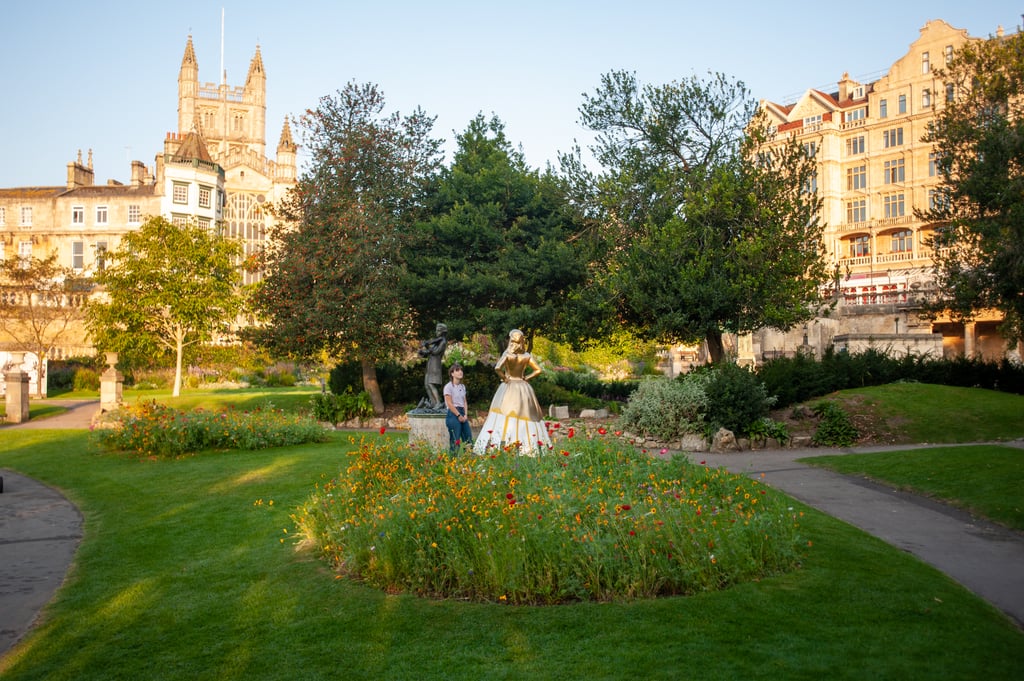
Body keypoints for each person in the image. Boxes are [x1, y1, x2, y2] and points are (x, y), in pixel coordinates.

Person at [473, 329, 552, 455]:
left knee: (504, 415)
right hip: (523, 387)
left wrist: (505, 378)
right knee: (527, 415)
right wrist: (527, 378)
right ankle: (530, 447)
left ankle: (501, 444)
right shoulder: (526, 356)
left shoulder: (508, 355)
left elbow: (497, 368)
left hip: (509, 386)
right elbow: (538, 370)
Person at [443, 362, 472, 454]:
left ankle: (469, 460)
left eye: (461, 370)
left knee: (468, 438)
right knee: (455, 440)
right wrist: (458, 415)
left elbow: (464, 402)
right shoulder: (448, 387)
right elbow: (449, 403)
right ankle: (453, 462)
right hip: (453, 414)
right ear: (452, 374)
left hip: (462, 412)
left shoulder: (462, 387)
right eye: (457, 370)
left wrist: (465, 415)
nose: (460, 372)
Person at [417, 323, 448, 409]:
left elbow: (435, 352)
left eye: (438, 330)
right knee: (426, 384)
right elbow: (430, 351)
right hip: (430, 363)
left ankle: (438, 402)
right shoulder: (437, 341)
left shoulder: (443, 342)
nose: (436, 332)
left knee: (431, 384)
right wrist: (424, 350)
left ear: (443, 332)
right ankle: (433, 402)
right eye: (436, 330)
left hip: (435, 364)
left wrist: (426, 348)